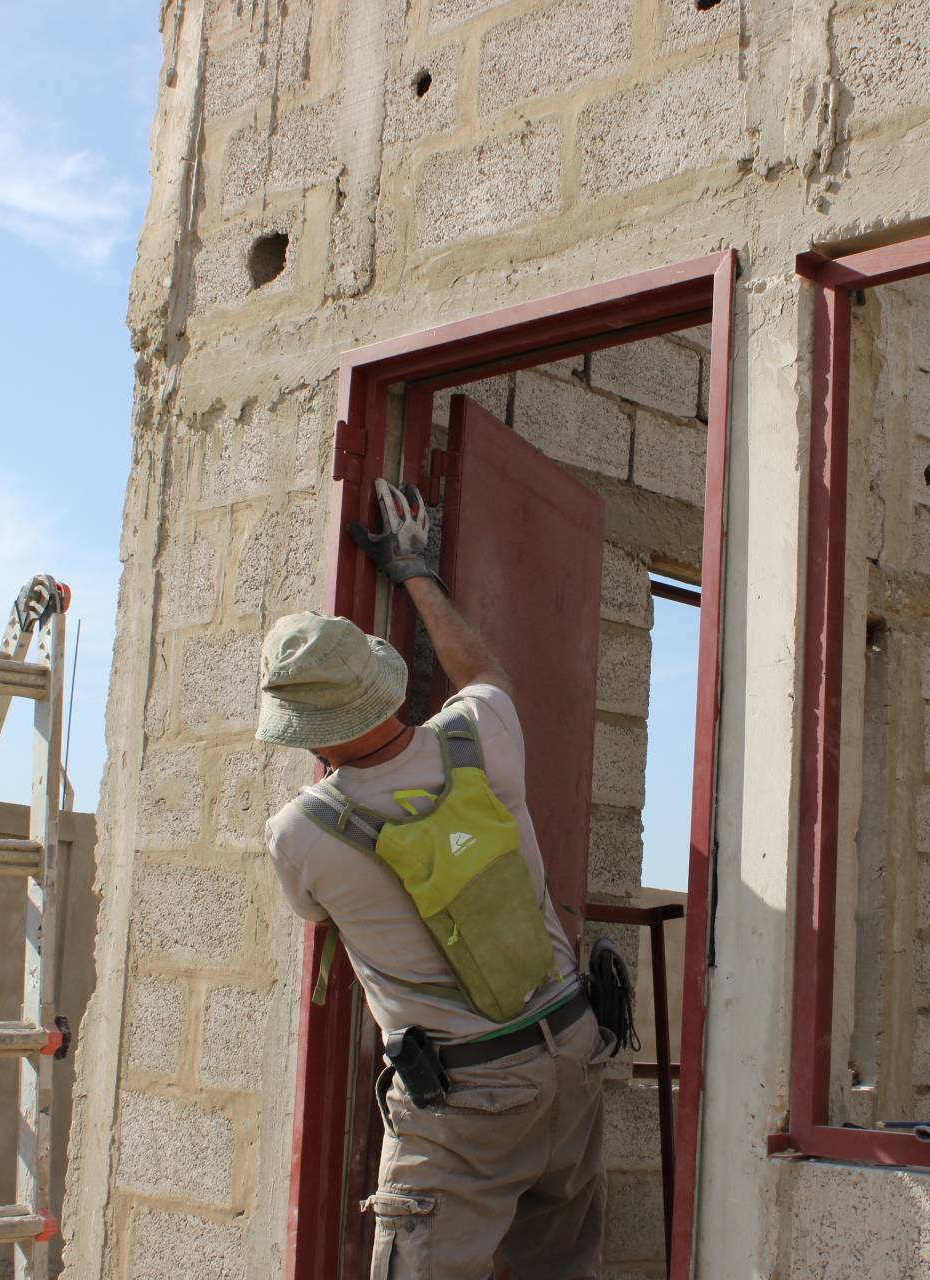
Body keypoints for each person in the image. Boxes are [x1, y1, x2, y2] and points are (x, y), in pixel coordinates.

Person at [258, 480, 610, 1280]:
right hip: (572, 1051)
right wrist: (414, 570)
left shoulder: (303, 834)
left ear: (304, 730)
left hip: (469, 1096)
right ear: (381, 687)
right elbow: (481, 668)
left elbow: (315, 916)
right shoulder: (481, 736)